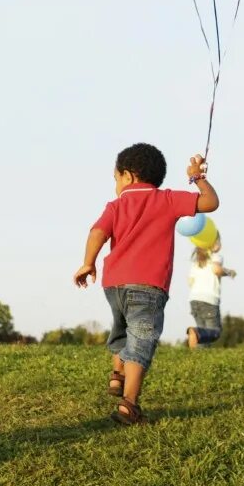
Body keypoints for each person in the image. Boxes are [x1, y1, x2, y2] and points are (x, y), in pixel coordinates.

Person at [74, 143, 219, 425]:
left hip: (114, 284)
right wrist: (197, 177)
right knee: (141, 339)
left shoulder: (115, 206)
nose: (116, 185)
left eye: (116, 179)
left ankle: (117, 374)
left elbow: (97, 232)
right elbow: (210, 203)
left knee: (122, 328)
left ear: (127, 176)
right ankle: (129, 405)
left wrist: (88, 262)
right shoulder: (167, 199)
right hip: (148, 286)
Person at [185, 240, 235, 349]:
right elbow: (216, 270)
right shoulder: (216, 257)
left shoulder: (197, 262)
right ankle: (195, 332)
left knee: (204, 333)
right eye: (218, 240)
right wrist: (228, 272)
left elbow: (190, 281)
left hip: (194, 299)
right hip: (209, 300)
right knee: (215, 332)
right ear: (213, 244)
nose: (220, 243)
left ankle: (198, 358)